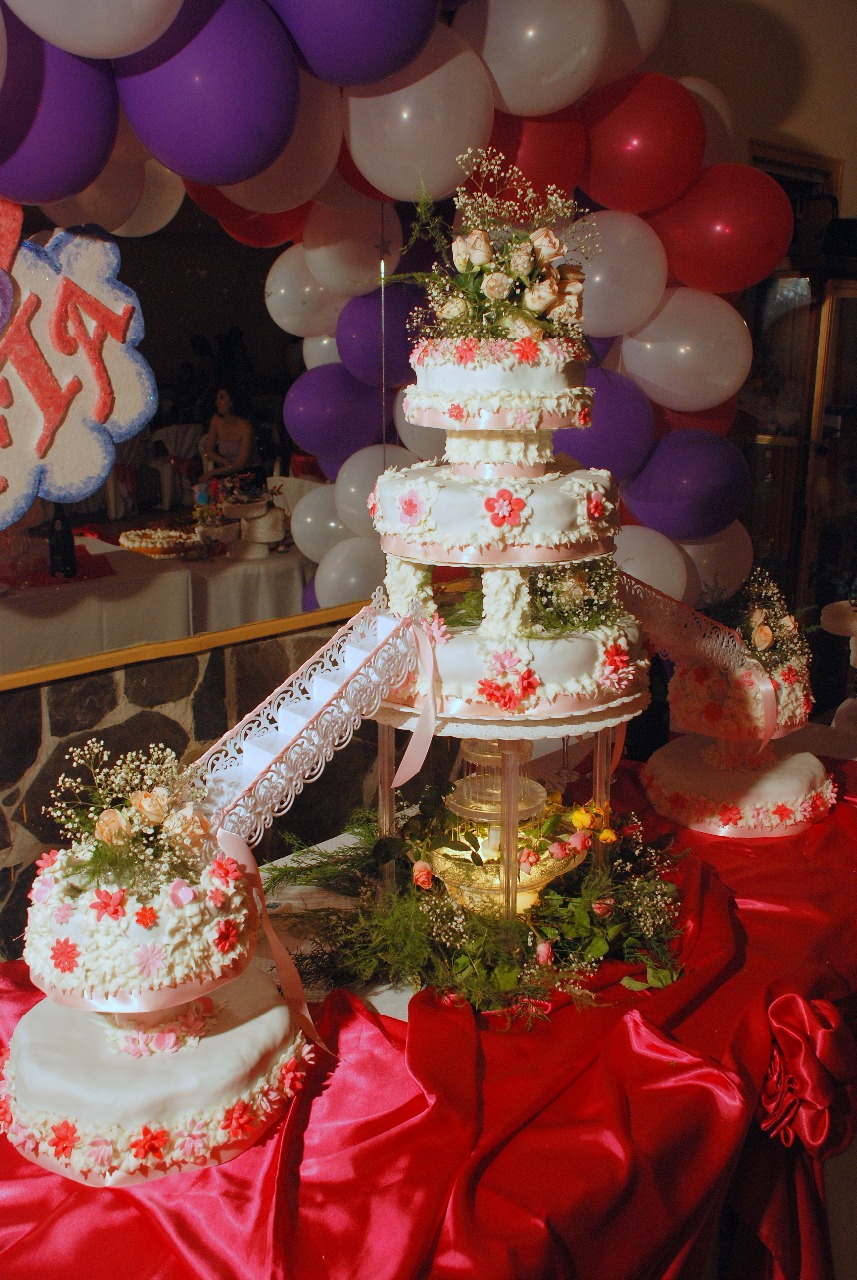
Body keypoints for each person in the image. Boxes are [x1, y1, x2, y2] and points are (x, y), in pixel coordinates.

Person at [200, 385, 256, 478]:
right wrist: (224, 461)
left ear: (232, 401)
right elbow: (208, 451)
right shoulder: (216, 420)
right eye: (217, 398)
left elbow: (241, 463)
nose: (217, 402)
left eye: (221, 398)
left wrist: (212, 472)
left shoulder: (245, 427)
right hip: (226, 471)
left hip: (247, 473)